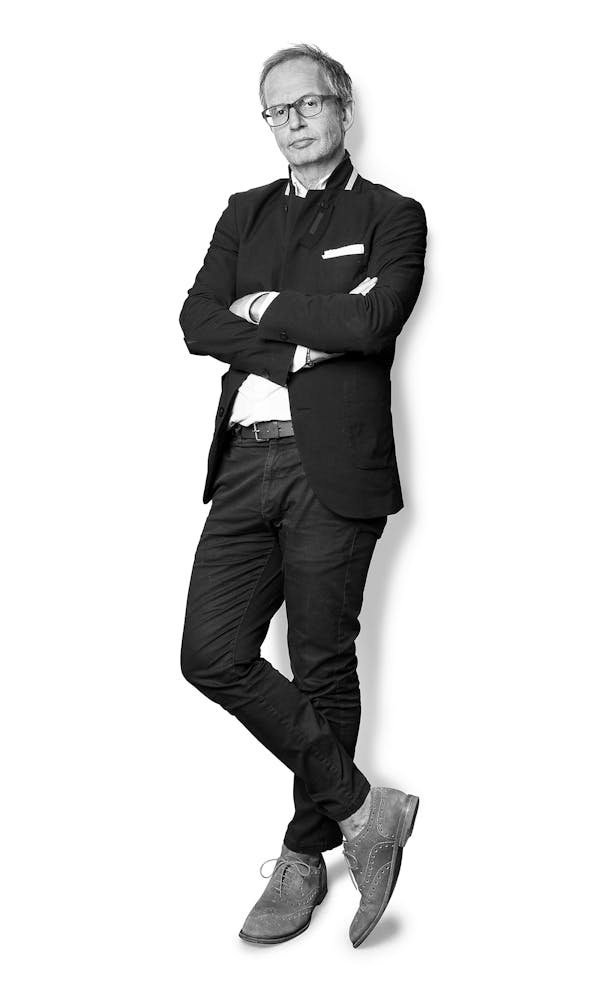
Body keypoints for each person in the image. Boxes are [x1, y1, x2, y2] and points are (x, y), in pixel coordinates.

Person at [178, 43, 427, 948]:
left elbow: (372, 319)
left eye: (307, 104)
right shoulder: (242, 212)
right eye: (275, 110)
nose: (291, 122)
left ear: (342, 106)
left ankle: (302, 853)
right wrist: (297, 344)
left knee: (322, 665)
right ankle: (365, 812)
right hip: (247, 460)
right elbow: (196, 318)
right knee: (211, 654)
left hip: (335, 465)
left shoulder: (392, 215)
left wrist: (262, 304)